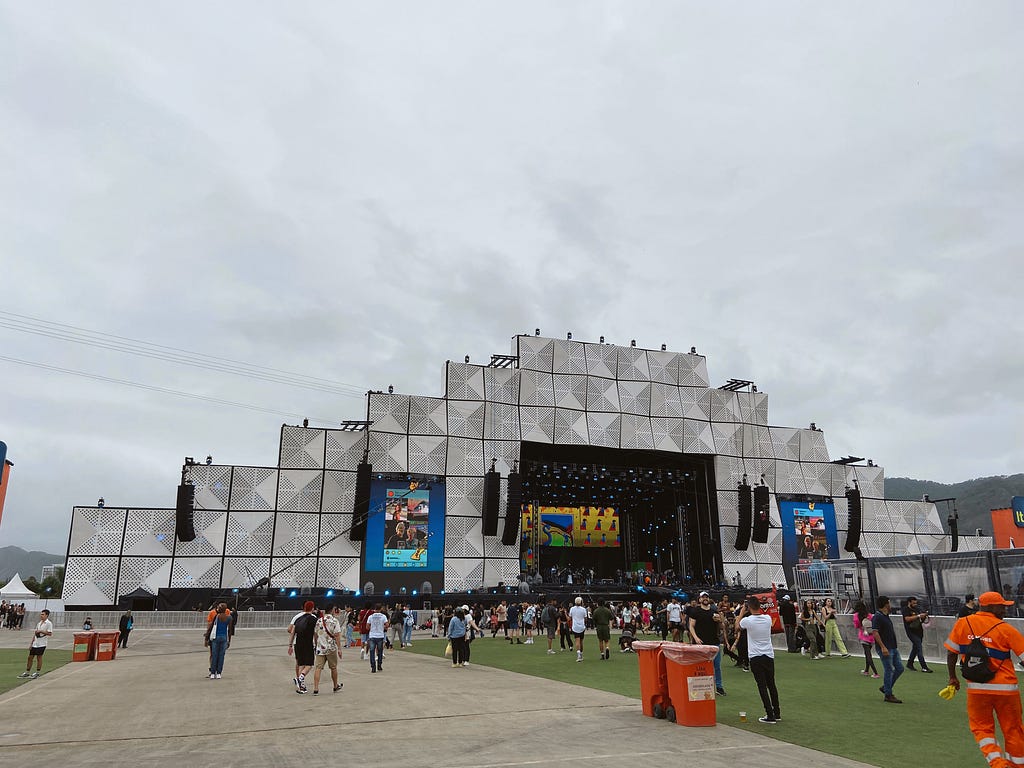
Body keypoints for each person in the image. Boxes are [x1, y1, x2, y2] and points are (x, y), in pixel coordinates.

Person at [945, 591, 1024, 768]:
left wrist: (952, 678)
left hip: (977, 689)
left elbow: (951, 653)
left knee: (982, 730)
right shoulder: (1005, 629)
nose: (1005, 610)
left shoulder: (963, 623)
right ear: (989, 606)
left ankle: (998, 764)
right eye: (1002, 606)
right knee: (1014, 731)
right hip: (1006, 689)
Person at [733, 596, 780, 724]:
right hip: (768, 655)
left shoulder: (748, 620)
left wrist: (742, 611)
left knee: (762, 686)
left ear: (749, 607)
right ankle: (776, 712)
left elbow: (737, 626)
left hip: (755, 656)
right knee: (771, 684)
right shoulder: (767, 618)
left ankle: (770, 714)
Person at [688, 591, 725, 696]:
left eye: (706, 597)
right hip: (701, 643)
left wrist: (719, 620)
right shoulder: (695, 611)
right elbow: (691, 625)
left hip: (714, 642)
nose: (705, 599)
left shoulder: (714, 611)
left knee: (716, 665)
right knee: (701, 666)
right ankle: (700, 686)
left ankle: (719, 687)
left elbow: (722, 626)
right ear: (699, 599)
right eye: (703, 597)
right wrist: (696, 638)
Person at [872, 596, 905, 704]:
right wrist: (882, 647)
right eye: (889, 603)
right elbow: (875, 632)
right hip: (886, 647)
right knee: (889, 670)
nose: (890, 605)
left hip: (892, 647)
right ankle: (888, 694)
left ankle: (886, 687)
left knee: (899, 668)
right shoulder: (878, 617)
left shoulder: (885, 616)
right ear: (885, 604)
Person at [312, 604, 343, 695]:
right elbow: (337, 635)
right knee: (333, 667)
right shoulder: (334, 621)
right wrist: (339, 648)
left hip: (320, 648)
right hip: (331, 648)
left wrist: (316, 643)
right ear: (332, 610)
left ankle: (316, 688)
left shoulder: (319, 621)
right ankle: (335, 686)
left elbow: (315, 634)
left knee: (318, 668)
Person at [288, 601, 318, 693]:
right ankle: (300, 677)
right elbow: (315, 633)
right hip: (307, 644)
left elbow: (292, 632)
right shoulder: (313, 619)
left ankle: (302, 687)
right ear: (312, 608)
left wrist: (290, 645)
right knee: (309, 664)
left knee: (301, 664)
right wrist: (316, 644)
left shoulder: (298, 619)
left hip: (298, 644)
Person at [18, 609, 53, 679]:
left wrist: (41, 631)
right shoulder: (39, 623)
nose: (41, 615)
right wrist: (31, 643)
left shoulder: (49, 623)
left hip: (42, 643)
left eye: (43, 614)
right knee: (30, 657)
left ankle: (37, 672)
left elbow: (50, 633)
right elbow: (35, 633)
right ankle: (27, 672)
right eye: (41, 614)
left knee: (39, 657)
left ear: (47, 615)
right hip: (35, 643)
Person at [901, 596, 933, 672]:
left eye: (916, 602)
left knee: (915, 648)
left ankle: (910, 663)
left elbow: (921, 620)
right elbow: (907, 619)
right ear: (909, 602)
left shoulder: (917, 609)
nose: (915, 604)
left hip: (919, 631)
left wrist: (924, 616)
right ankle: (924, 667)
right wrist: (918, 616)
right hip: (911, 631)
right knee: (919, 647)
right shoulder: (906, 609)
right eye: (913, 603)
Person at [204, 603, 232, 679]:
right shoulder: (229, 618)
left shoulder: (217, 616)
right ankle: (219, 673)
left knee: (214, 655)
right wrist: (229, 641)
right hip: (224, 638)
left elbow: (211, 627)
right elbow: (230, 630)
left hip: (215, 638)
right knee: (221, 656)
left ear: (220, 609)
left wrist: (206, 638)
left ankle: (213, 673)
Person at [853, 600, 879, 678]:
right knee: (867, 654)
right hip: (871, 637)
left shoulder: (856, 616)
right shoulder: (869, 615)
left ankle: (875, 673)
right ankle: (866, 670)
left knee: (868, 655)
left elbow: (856, 626)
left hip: (863, 636)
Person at [366, 603, 388, 673]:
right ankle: (379, 665)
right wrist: (382, 627)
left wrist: (371, 629)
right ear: (381, 608)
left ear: (374, 609)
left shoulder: (370, 616)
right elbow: (387, 625)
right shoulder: (383, 616)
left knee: (372, 651)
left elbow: (367, 627)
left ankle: (373, 667)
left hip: (372, 635)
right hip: (380, 635)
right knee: (380, 651)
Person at [569, 596, 588, 662]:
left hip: (575, 626)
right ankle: (581, 654)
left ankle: (578, 654)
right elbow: (585, 618)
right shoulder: (583, 609)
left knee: (577, 640)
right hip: (582, 626)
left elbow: (570, 617)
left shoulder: (572, 609)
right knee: (581, 641)